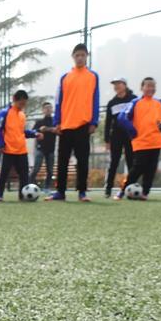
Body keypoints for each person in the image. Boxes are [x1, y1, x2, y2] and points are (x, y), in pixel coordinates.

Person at [46, 43, 99, 202]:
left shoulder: (93, 76)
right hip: (66, 126)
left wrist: (94, 121)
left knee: (82, 161)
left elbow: (95, 100)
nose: (80, 58)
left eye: (83, 55)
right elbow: (58, 101)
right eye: (77, 55)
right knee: (62, 161)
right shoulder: (65, 77)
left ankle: (82, 192)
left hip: (83, 125)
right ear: (73, 57)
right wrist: (57, 122)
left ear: (86, 57)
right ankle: (60, 192)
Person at [114, 77, 161, 200]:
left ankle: (145, 193)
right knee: (137, 168)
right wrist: (132, 130)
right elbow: (122, 117)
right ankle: (122, 190)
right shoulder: (135, 103)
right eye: (148, 86)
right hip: (141, 142)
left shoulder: (159, 104)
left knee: (151, 169)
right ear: (142, 88)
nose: (150, 88)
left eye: (153, 86)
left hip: (156, 142)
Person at [0, 90, 41, 201]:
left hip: (22, 150)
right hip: (8, 150)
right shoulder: (4, 113)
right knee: (4, 174)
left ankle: (23, 196)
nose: (23, 106)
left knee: (24, 175)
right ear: (14, 100)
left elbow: (22, 132)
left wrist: (34, 134)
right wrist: (1, 144)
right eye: (21, 104)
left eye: (24, 104)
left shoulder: (22, 115)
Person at [103, 77, 135, 198]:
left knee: (131, 161)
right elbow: (108, 122)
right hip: (116, 136)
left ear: (125, 85)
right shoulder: (112, 103)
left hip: (130, 135)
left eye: (118, 84)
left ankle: (130, 187)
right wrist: (107, 139)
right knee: (114, 162)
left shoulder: (133, 99)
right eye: (114, 84)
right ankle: (108, 188)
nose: (116, 86)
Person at [29, 101, 56, 192]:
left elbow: (59, 131)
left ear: (52, 109)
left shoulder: (55, 121)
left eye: (50, 107)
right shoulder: (39, 122)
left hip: (51, 149)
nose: (48, 109)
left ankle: (47, 187)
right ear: (43, 110)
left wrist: (49, 129)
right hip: (40, 148)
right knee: (36, 168)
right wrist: (39, 130)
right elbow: (32, 132)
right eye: (46, 108)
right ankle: (29, 184)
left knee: (50, 170)